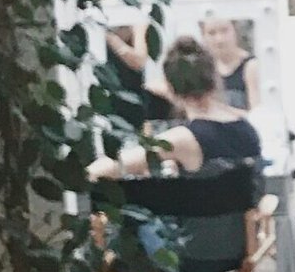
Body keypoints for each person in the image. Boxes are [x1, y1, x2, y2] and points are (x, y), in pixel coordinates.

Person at [88, 37, 261, 180]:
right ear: (215, 79)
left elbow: (108, 168)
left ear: (170, 88)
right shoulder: (246, 128)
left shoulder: (182, 139)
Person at [199, 16, 261, 110]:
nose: (219, 39)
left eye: (224, 31)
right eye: (212, 33)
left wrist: (223, 111)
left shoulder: (251, 66)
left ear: (235, 31)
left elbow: (256, 114)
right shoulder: (204, 68)